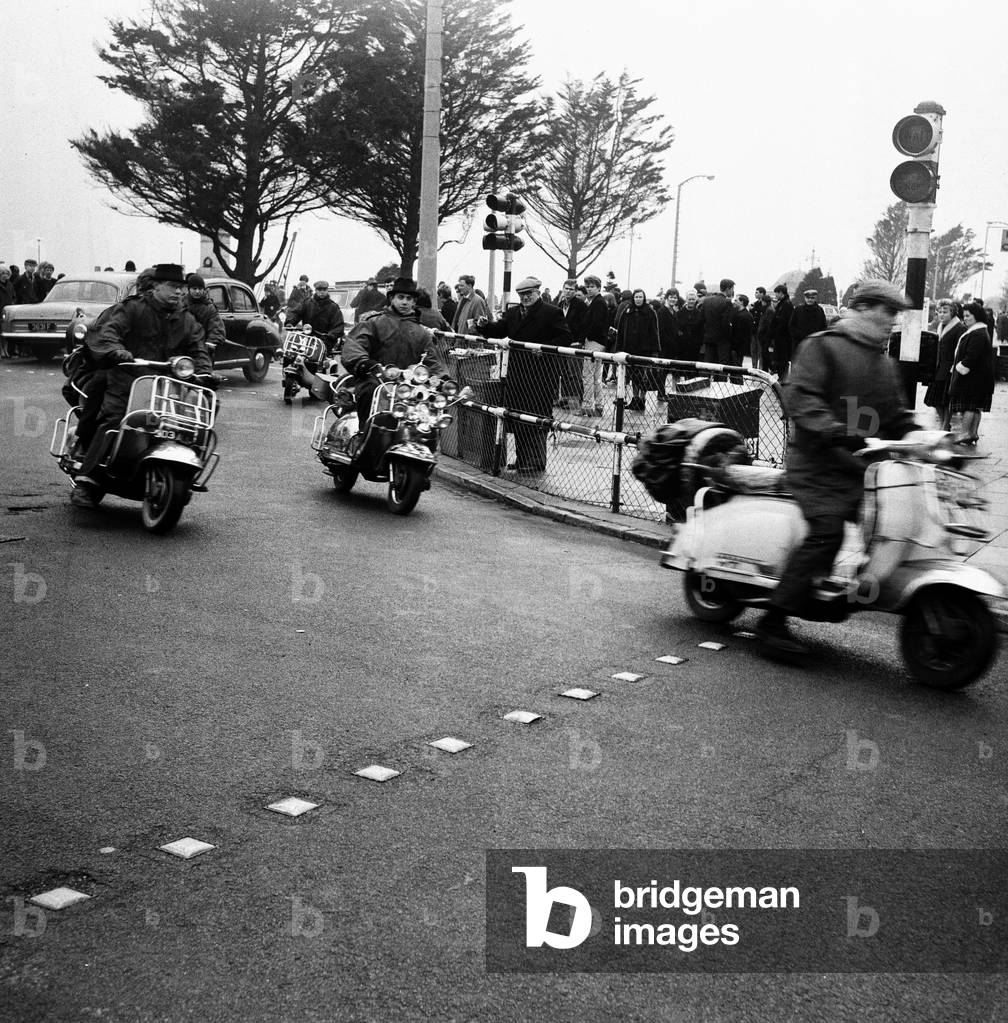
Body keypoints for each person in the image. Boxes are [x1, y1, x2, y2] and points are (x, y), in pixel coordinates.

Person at [756, 280, 919, 657]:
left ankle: (841, 591)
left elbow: (895, 416)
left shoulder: (883, 364)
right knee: (827, 531)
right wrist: (833, 430)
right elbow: (802, 396)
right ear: (861, 308)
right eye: (888, 312)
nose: (892, 321)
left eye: (895, 314)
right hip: (817, 465)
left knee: (889, 524)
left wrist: (920, 438)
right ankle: (773, 621)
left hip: (860, 469)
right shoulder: (821, 346)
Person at [71, 264, 211, 508]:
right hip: (129, 377)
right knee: (115, 421)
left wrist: (204, 372)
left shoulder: (187, 319)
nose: (179, 293)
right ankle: (87, 479)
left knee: (192, 422)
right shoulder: (133, 308)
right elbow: (109, 331)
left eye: (181, 288)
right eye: (173, 287)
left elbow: (198, 349)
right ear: (156, 286)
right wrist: (116, 350)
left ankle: (185, 476)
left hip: (168, 384)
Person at [476, 276, 571, 473]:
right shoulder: (513, 313)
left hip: (541, 374)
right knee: (518, 416)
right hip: (517, 372)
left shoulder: (551, 312)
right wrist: (484, 326)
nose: (525, 297)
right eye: (522, 295)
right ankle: (522, 459)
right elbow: (499, 331)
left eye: (529, 294)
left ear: (538, 292)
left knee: (537, 416)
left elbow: (565, 337)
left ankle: (536, 461)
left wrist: (545, 348)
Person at [340, 277, 442, 422]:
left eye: (409, 298)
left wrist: (443, 379)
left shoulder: (422, 332)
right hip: (376, 378)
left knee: (428, 415)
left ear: (414, 302)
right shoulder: (374, 322)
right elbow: (355, 344)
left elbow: (432, 360)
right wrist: (365, 363)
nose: (405, 302)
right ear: (392, 298)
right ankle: (365, 437)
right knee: (369, 393)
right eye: (400, 297)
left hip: (408, 384)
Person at [948, 300, 996, 446]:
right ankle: (972, 433)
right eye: (964, 315)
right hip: (979, 378)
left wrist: (960, 366)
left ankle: (965, 433)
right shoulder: (980, 332)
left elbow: (971, 357)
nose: (965, 318)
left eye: (968, 316)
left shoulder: (977, 334)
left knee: (969, 406)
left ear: (977, 317)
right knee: (974, 407)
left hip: (973, 379)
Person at [922, 298, 964, 430]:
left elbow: (960, 350)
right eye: (939, 312)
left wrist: (955, 367)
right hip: (938, 368)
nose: (941, 314)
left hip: (950, 368)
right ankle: (943, 422)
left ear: (952, 312)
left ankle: (945, 424)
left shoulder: (959, 328)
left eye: (945, 311)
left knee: (947, 401)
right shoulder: (940, 327)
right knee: (935, 400)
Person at [615, 288, 661, 411]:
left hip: (644, 350)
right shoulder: (627, 311)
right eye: (636, 297)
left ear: (644, 298)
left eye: (640, 297)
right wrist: (619, 348)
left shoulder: (650, 312)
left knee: (644, 377)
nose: (638, 299)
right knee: (633, 376)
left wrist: (655, 350)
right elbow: (621, 330)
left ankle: (642, 399)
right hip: (629, 349)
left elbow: (654, 332)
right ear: (633, 298)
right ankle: (635, 399)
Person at [286, 280, 345, 356]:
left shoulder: (333, 307)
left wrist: (331, 335)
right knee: (292, 352)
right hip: (307, 336)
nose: (322, 292)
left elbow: (339, 325)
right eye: (319, 290)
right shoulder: (307, 303)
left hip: (324, 340)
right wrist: (290, 323)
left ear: (327, 290)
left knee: (319, 359)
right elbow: (296, 313)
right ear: (316, 290)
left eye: (324, 290)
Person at [580, 275, 609, 416]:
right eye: (588, 286)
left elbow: (595, 323)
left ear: (598, 287)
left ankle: (587, 406)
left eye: (592, 286)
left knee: (588, 375)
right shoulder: (599, 302)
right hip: (599, 342)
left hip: (593, 342)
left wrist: (585, 336)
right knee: (596, 376)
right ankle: (598, 405)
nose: (589, 289)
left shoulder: (597, 303)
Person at [182, 274, 226, 355]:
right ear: (189, 289)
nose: (197, 291)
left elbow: (216, 328)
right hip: (183, 349)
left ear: (204, 290)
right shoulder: (181, 304)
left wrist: (210, 343)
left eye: (200, 289)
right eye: (194, 289)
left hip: (203, 350)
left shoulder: (209, 307)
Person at [700, 278, 734, 364]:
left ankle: (706, 377)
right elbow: (726, 324)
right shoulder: (727, 303)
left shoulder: (707, 301)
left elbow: (701, 320)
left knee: (707, 364)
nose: (733, 291)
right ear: (728, 289)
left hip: (709, 338)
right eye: (732, 289)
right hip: (722, 340)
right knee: (722, 366)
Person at [789, 289, 828, 356]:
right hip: (799, 344)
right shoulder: (798, 310)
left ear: (815, 298)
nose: (810, 300)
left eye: (812, 298)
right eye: (808, 298)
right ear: (805, 298)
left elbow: (823, 327)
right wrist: (798, 335)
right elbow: (791, 326)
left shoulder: (820, 311)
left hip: (814, 345)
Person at [769, 285, 795, 378]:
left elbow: (784, 322)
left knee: (782, 361)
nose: (775, 295)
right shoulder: (783, 303)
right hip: (780, 338)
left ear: (781, 293)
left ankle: (783, 380)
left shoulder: (786, 304)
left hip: (783, 338)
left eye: (776, 293)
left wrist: (775, 332)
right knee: (779, 361)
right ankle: (781, 378)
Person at [730, 294, 755, 368]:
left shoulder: (744, 316)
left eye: (736, 300)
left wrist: (733, 345)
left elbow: (740, 334)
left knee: (736, 368)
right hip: (739, 347)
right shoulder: (743, 314)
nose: (734, 302)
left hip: (738, 348)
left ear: (741, 302)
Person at [753, 288, 774, 371]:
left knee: (764, 354)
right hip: (763, 336)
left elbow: (768, 325)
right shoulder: (767, 309)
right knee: (761, 353)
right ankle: (764, 369)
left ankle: (767, 369)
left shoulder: (768, 310)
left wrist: (763, 334)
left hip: (765, 337)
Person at [0, 266, 16, 358]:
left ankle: (5, 350)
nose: (4, 276)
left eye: (6, 273)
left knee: (5, 332)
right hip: (0, 309)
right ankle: (1, 350)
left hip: (8, 311)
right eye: (2, 274)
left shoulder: (10, 284)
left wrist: (13, 303)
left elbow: (14, 295)